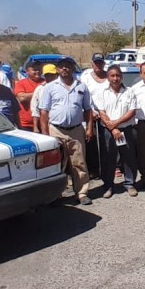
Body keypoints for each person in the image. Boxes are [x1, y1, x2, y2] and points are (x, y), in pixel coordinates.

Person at [39, 57, 94, 205]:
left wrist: (89, 128)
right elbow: (43, 112)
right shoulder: (50, 87)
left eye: (68, 66)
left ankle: (82, 193)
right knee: (57, 164)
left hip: (76, 130)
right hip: (56, 130)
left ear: (72, 68)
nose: (65, 69)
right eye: (62, 66)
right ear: (57, 70)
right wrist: (45, 135)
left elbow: (88, 110)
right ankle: (57, 195)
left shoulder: (81, 87)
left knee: (79, 163)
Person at [92, 65, 138, 198]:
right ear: (108, 77)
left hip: (126, 129)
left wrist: (116, 125)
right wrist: (113, 128)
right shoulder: (102, 93)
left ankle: (129, 184)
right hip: (108, 131)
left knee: (128, 157)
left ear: (121, 77)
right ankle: (109, 185)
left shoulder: (129, 91)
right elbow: (102, 112)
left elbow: (132, 111)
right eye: (112, 75)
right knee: (108, 158)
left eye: (118, 75)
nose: (115, 78)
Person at [80, 53, 110, 179]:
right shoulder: (86, 77)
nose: (98, 65)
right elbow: (83, 97)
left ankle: (108, 168)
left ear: (104, 64)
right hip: (91, 114)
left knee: (107, 143)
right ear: (92, 63)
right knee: (91, 142)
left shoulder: (109, 76)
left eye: (100, 63)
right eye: (96, 63)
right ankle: (94, 169)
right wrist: (92, 111)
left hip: (107, 115)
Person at [14, 61, 44, 131]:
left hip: (43, 123)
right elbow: (22, 98)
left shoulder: (45, 82)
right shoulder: (21, 83)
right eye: (34, 70)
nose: (37, 71)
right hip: (25, 124)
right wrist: (38, 94)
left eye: (39, 69)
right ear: (27, 71)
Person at [30, 64, 58, 131]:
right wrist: (35, 127)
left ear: (56, 75)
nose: (49, 77)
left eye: (51, 75)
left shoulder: (62, 88)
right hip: (45, 124)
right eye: (47, 75)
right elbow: (34, 108)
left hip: (59, 125)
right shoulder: (40, 89)